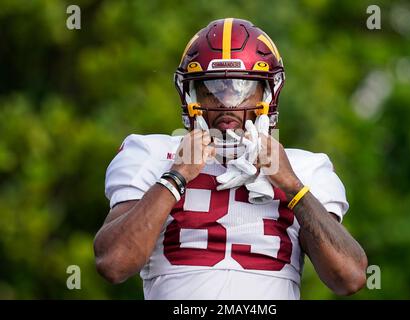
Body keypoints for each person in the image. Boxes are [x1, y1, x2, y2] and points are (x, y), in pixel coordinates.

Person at [94, 18, 368, 300]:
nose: (227, 103)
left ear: (269, 92)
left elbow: (349, 278)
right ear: (189, 94)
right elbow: (113, 263)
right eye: (211, 89)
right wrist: (175, 178)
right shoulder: (152, 155)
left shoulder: (304, 169)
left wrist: (293, 188)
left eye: (241, 89)